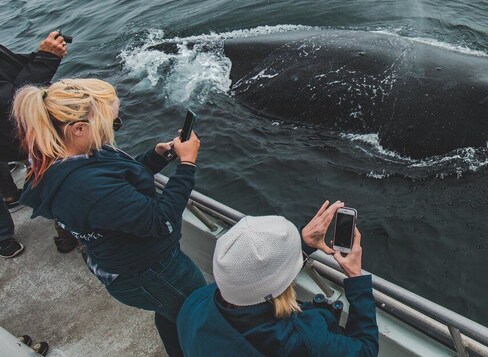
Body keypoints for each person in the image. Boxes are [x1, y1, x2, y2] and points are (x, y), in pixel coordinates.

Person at [14, 78, 205, 357]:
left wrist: (156, 157)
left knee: (173, 310)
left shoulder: (66, 156)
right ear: (78, 129)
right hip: (151, 271)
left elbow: (116, 185)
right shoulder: (85, 188)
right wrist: (187, 166)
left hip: (130, 266)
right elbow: (160, 222)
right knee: (198, 312)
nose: (112, 132)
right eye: (111, 124)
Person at [177, 206, 379, 357]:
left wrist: (303, 244)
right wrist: (356, 278)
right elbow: (366, 349)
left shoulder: (194, 303)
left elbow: (255, 277)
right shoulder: (305, 339)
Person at [0, 31, 69, 258]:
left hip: (13, 133)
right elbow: (12, 100)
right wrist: (46, 60)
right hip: (11, 135)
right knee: (54, 166)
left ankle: (11, 195)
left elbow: (9, 68)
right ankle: (67, 229)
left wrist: (41, 54)